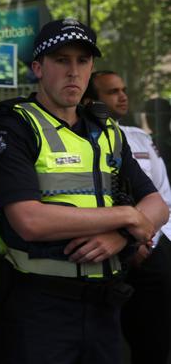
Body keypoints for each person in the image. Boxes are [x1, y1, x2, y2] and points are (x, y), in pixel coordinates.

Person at [0, 18, 168, 364]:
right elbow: (29, 220)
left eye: (82, 61)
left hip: (104, 307)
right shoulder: (15, 125)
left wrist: (121, 236)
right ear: (38, 68)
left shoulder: (106, 130)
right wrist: (127, 216)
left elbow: (157, 203)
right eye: (61, 60)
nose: (73, 72)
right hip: (38, 307)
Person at [84, 71, 171, 364]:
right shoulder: (79, 142)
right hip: (100, 254)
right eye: (111, 92)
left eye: (123, 90)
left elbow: (163, 195)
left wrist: (146, 240)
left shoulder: (138, 138)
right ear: (90, 100)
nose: (122, 96)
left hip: (151, 254)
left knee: (153, 341)